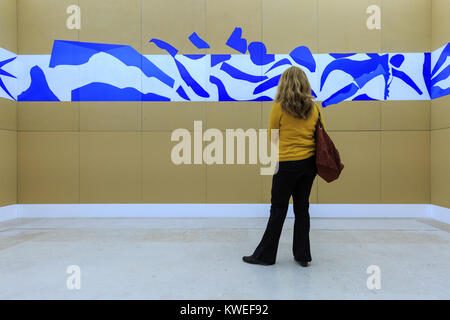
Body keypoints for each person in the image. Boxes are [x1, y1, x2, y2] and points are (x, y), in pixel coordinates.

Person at [243, 66, 326, 267]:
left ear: (284, 84)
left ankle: (266, 256)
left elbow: (272, 138)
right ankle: (303, 256)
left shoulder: (279, 107)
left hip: (287, 165)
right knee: (302, 208)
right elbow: (320, 135)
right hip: (309, 165)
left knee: (278, 209)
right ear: (305, 83)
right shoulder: (314, 108)